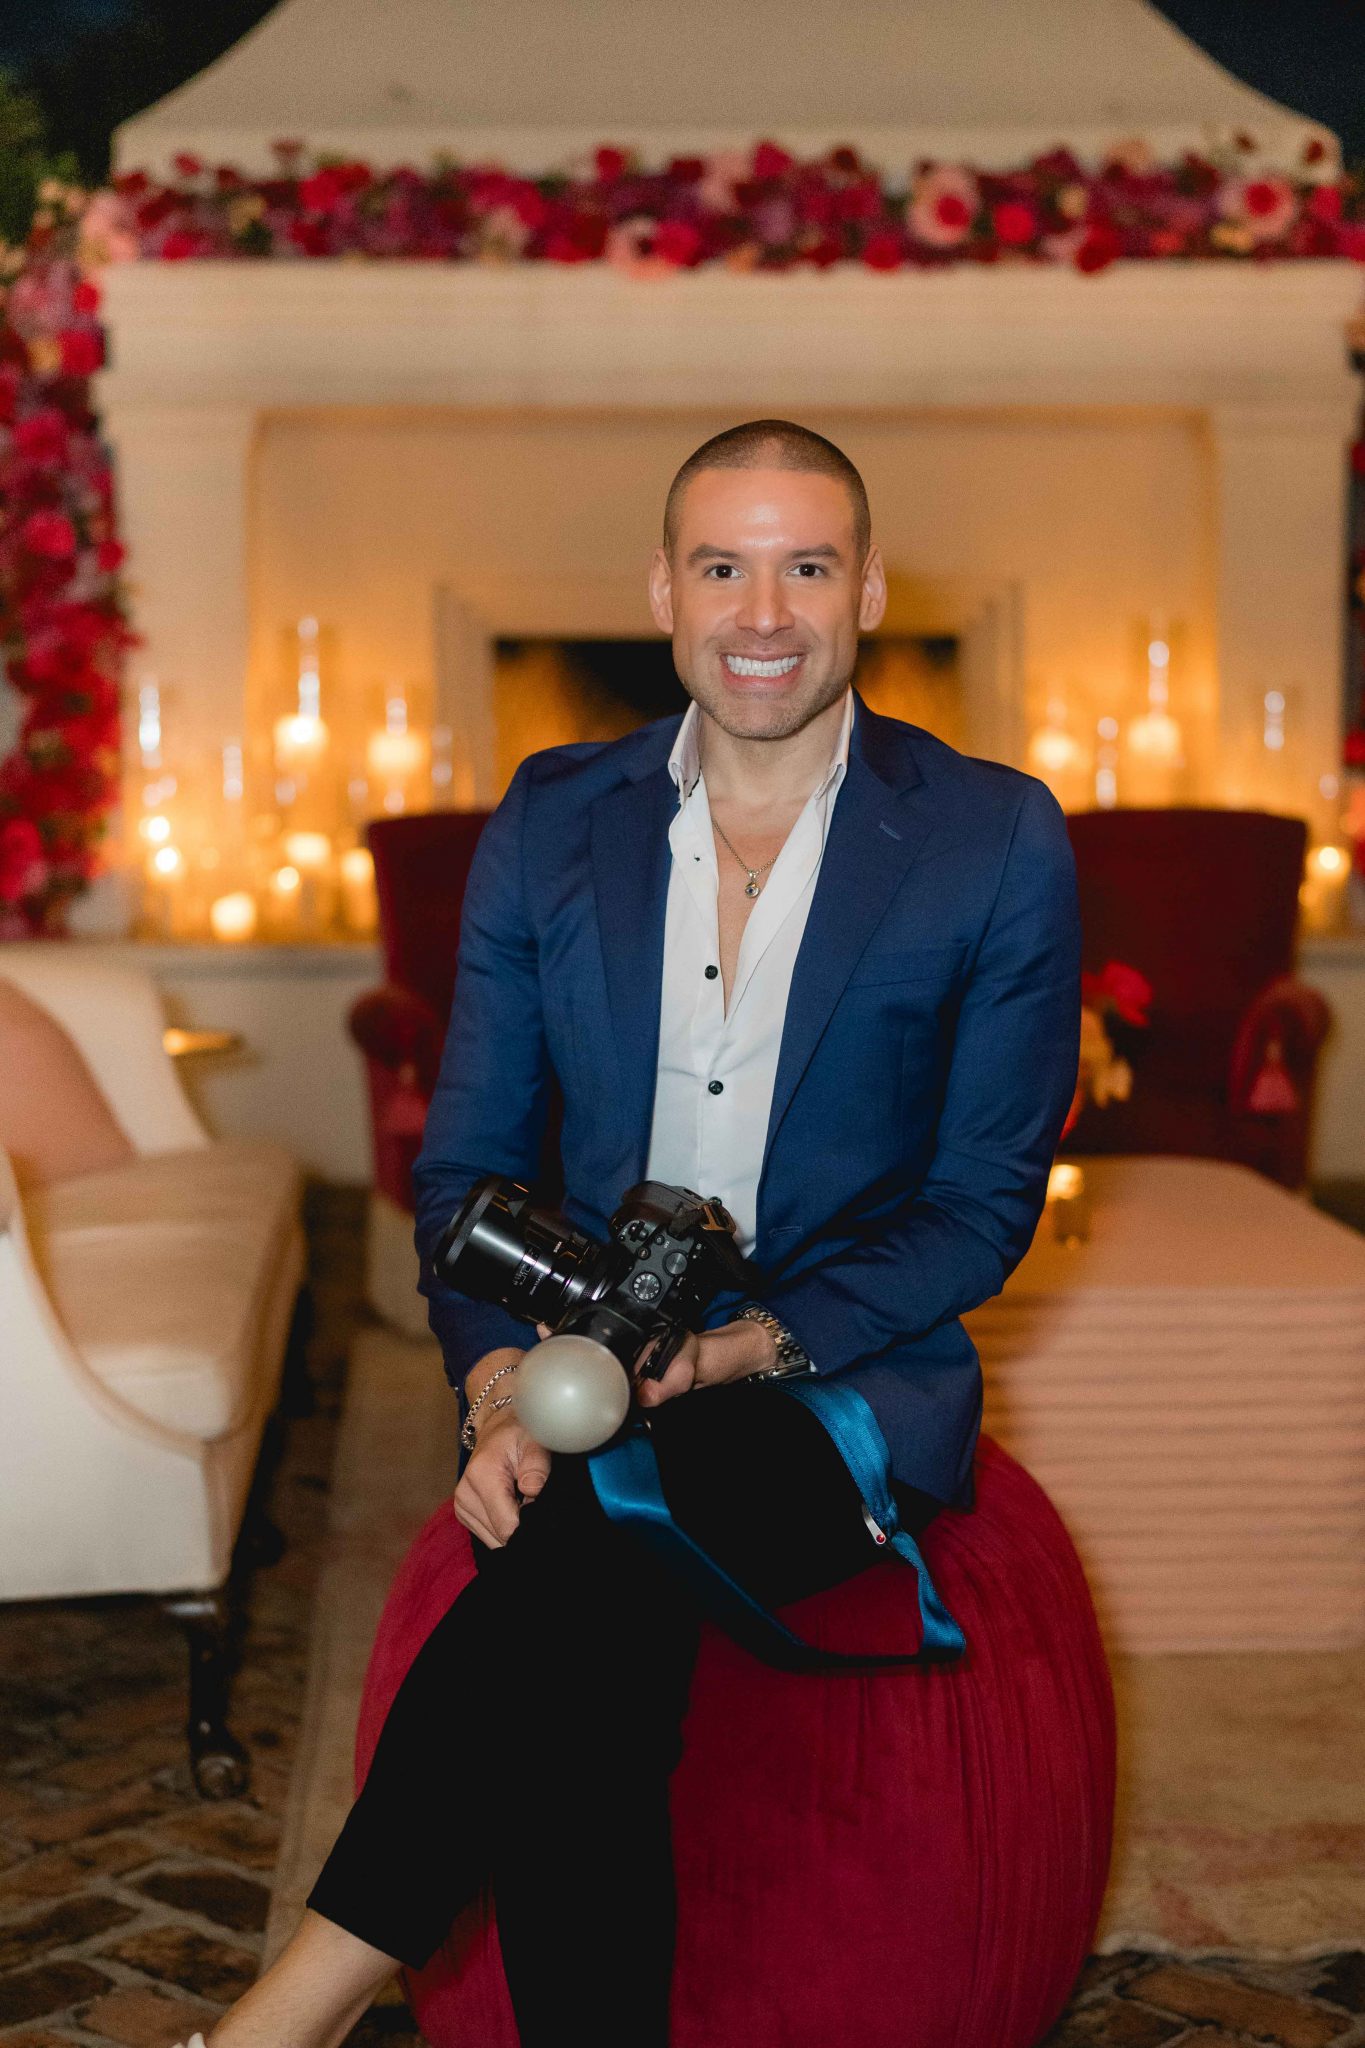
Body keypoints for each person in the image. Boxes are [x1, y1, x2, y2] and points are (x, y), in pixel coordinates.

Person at [186, 419, 1081, 2048]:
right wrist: (497, 1389)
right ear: (662, 591)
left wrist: (736, 1349)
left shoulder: (989, 835)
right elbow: (467, 1169)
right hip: (573, 1352)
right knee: (589, 1654)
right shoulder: (552, 819)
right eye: (723, 566)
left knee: (581, 1555)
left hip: (831, 1379)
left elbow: (980, 1206)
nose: (764, 612)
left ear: (869, 590)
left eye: (806, 567)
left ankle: (284, 2016)